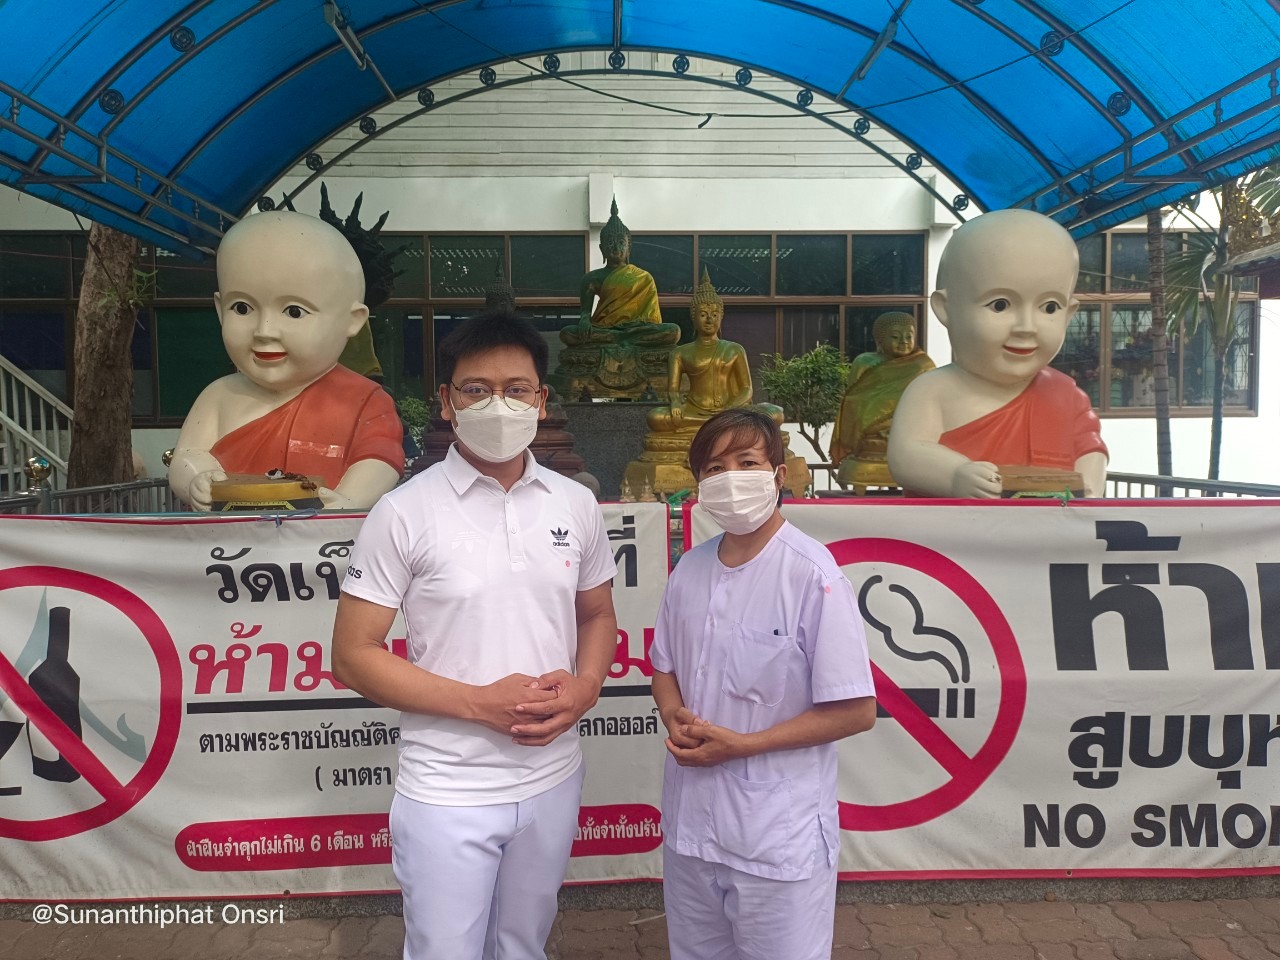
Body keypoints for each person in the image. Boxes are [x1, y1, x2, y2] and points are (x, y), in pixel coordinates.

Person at [331, 310, 618, 960]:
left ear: (542, 401)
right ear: (447, 401)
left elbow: (597, 615)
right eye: (476, 389)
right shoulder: (403, 512)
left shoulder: (574, 504)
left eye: (516, 389)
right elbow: (352, 655)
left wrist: (586, 688)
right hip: (448, 787)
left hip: (552, 775)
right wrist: (478, 703)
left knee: (522, 946)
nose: (498, 405)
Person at [650, 408, 876, 960]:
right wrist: (674, 714)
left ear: (777, 474)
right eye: (714, 468)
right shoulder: (689, 571)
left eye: (746, 462)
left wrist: (745, 745)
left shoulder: (812, 574)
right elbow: (664, 668)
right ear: (699, 484)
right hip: (691, 829)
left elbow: (855, 710)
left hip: (776, 836)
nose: (730, 478)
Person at [168, 211, 404, 511]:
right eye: (242, 308)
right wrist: (196, 478)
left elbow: (379, 459)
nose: (264, 331)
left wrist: (350, 500)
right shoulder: (219, 396)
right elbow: (188, 455)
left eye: (294, 312)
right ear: (219, 309)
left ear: (352, 320)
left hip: (321, 536)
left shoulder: (364, 400)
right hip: (228, 536)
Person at [887, 208, 1108, 498]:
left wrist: (1088, 488)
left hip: (1050, 523)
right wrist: (955, 474)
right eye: (1000, 305)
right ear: (945, 308)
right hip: (954, 526)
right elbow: (907, 454)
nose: (1026, 327)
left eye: (1049, 307)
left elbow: (1090, 449)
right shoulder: (932, 391)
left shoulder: (1067, 396)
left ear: (1069, 314)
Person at [554, 198, 680, 399]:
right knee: (568, 333)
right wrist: (585, 319)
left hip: (636, 330)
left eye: (621, 243)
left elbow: (653, 320)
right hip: (605, 330)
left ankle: (622, 338)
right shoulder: (592, 278)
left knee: (672, 332)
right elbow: (585, 312)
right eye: (610, 243)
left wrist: (634, 329)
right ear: (602, 248)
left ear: (629, 247)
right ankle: (620, 338)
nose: (615, 248)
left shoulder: (644, 277)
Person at [829, 311, 934, 491]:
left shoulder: (923, 365)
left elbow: (930, 400)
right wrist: (874, 411)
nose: (904, 341)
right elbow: (852, 400)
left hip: (907, 426)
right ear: (880, 340)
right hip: (870, 432)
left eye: (909, 336)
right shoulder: (865, 361)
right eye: (895, 337)